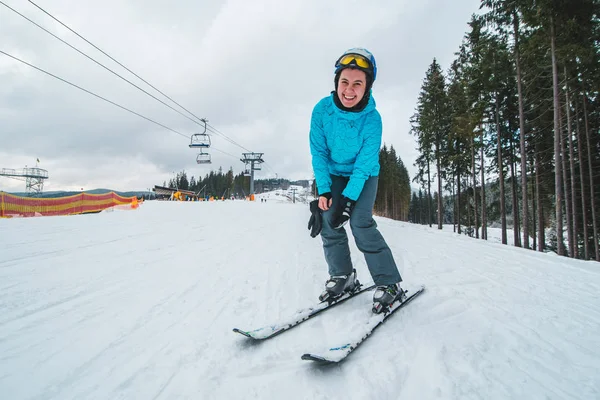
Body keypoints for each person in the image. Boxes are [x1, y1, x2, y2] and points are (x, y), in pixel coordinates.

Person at [307, 47, 404, 314]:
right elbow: (319, 153)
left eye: (357, 84)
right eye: (344, 82)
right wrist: (325, 191)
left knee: (360, 222)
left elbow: (363, 165)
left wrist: (348, 200)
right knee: (329, 218)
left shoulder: (372, 119)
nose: (349, 90)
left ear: (367, 87)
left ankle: (389, 282)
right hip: (334, 172)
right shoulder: (322, 111)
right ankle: (343, 276)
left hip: (364, 174)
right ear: (337, 83)